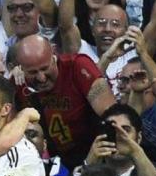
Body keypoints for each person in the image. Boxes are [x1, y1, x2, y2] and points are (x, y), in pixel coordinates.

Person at [15, 34, 117, 167]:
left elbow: (113, 117)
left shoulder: (78, 66)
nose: (41, 78)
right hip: (52, 165)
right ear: (21, 68)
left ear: (54, 55)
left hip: (95, 156)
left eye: (45, 68)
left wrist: (95, 160)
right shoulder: (17, 83)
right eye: (32, 72)